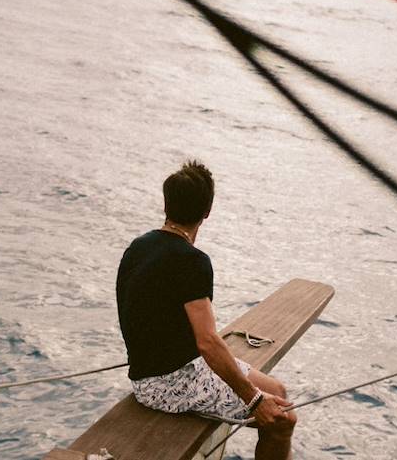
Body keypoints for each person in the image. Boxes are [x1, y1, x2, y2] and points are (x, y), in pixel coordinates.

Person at [116, 160, 297, 460]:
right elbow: (208, 342)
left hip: (161, 373)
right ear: (207, 211)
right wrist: (254, 401)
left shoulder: (139, 246)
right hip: (168, 385)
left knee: (278, 392)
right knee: (282, 420)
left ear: (166, 205)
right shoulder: (193, 261)